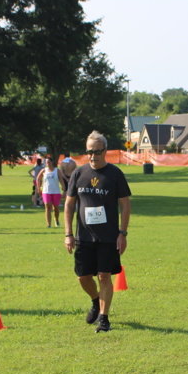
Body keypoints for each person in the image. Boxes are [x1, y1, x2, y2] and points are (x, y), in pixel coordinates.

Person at [63, 131, 131, 333]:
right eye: (89, 152)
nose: (93, 156)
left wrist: (123, 233)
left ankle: (104, 318)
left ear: (105, 151)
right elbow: (69, 205)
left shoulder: (115, 174)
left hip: (108, 236)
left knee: (104, 276)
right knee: (82, 277)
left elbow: (125, 205)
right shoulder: (79, 173)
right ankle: (95, 300)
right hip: (83, 235)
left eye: (97, 152)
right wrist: (68, 234)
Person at [36, 156, 66, 227]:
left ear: (52, 162)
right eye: (46, 162)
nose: (48, 163)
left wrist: (64, 190)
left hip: (56, 191)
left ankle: (57, 220)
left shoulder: (57, 171)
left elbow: (61, 180)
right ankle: (49, 224)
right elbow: (38, 178)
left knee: (56, 208)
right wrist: (39, 188)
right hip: (46, 191)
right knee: (47, 206)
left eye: (49, 162)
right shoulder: (44, 170)